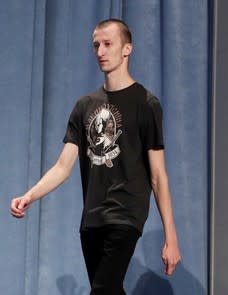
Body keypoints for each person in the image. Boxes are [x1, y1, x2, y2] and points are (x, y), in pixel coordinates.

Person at [10, 18, 181, 294]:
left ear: (127, 49)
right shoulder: (84, 106)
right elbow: (63, 166)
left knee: (101, 290)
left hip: (125, 216)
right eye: (96, 45)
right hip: (92, 220)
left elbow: (158, 176)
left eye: (108, 44)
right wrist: (30, 195)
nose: (100, 51)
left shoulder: (146, 104)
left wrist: (170, 235)